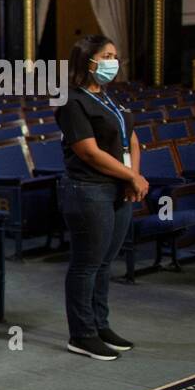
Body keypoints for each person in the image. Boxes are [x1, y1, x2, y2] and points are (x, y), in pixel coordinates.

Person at [55, 35, 144, 361]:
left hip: (117, 188)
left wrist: (133, 175)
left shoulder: (108, 99)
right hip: (88, 189)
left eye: (115, 56)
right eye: (106, 55)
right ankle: (82, 334)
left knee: (105, 262)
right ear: (87, 60)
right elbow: (88, 152)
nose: (113, 62)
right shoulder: (70, 99)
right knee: (86, 264)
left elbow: (131, 139)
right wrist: (131, 176)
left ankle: (100, 325)